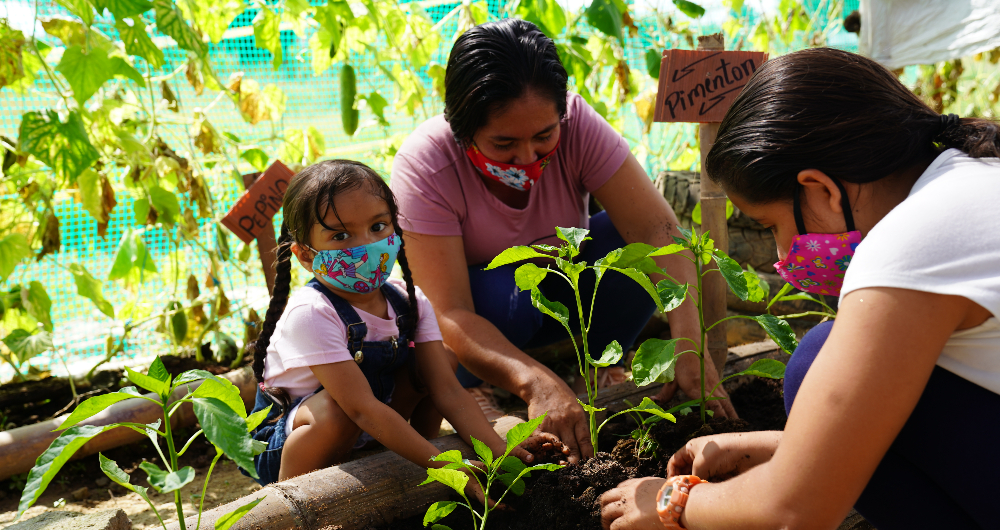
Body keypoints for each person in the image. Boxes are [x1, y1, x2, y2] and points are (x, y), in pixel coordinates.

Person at [600, 47, 1000, 529]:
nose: (779, 250)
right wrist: (785, 449)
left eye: (770, 224)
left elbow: (797, 509)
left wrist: (671, 502)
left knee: (813, 362)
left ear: (820, 189)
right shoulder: (970, 177)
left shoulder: (913, 241)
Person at [390, 19, 736, 464]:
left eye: (543, 136)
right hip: (488, 320)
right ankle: (475, 388)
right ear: (462, 130)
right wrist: (534, 382)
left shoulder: (577, 124)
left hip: (562, 296)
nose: (528, 158)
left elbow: (659, 232)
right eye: (504, 143)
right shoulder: (427, 164)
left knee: (629, 248)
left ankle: (592, 370)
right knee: (503, 289)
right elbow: (448, 311)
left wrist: (688, 344)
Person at [244, 160, 556, 488]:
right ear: (305, 256)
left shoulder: (408, 300)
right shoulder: (311, 312)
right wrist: (447, 467)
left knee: (442, 363)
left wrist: (498, 450)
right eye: (340, 235)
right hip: (286, 446)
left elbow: (447, 389)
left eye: (378, 227)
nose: (364, 245)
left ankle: (408, 463)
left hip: (367, 425)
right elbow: (361, 409)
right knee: (336, 410)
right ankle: (290, 503)